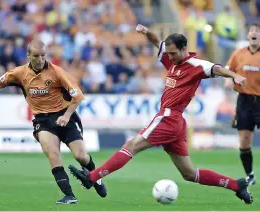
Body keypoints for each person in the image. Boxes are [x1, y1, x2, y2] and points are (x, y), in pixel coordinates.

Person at [68, 24, 253, 204]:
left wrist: (234, 76)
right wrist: (146, 31)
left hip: (169, 117)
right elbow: (157, 41)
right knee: (189, 173)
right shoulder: (172, 60)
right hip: (176, 122)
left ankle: (91, 177)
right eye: (168, 53)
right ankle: (237, 185)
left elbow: (217, 68)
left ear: (184, 49)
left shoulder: (196, 65)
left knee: (131, 145)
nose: (169, 57)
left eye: (173, 53)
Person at [0, 39, 107, 204]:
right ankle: (69, 195)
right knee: (53, 155)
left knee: (81, 156)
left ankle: (96, 180)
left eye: (42, 55)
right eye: (36, 56)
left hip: (64, 115)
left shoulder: (57, 72)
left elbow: (78, 96)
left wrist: (66, 116)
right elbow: (1, 80)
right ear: (28, 56)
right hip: (43, 120)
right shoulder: (20, 73)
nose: (40, 59)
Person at [224, 23, 260, 186]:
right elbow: (228, 69)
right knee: (244, 141)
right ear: (247, 36)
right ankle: (250, 175)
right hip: (244, 100)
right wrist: (228, 79)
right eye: (252, 31)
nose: (254, 33)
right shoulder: (238, 54)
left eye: (257, 31)